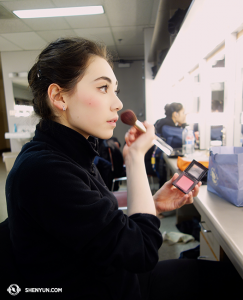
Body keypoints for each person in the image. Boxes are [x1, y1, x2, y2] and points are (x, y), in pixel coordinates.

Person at [5, 38, 242, 300]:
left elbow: (105, 232)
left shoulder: (72, 155)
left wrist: (153, 204)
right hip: (107, 290)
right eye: (103, 88)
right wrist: (135, 158)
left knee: (222, 276)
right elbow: (142, 252)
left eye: (114, 89)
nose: (118, 103)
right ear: (59, 97)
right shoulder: (45, 172)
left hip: (114, 277)